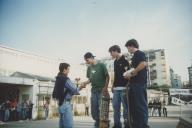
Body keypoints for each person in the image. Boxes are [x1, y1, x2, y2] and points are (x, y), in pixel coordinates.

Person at [124, 39, 149, 128]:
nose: (128, 50)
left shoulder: (139, 53)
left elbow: (143, 64)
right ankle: (136, 124)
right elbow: (136, 70)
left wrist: (131, 72)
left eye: (128, 47)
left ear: (131, 46)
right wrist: (129, 76)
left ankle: (143, 125)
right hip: (133, 84)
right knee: (134, 106)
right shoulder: (134, 56)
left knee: (141, 105)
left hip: (139, 84)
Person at [81, 52, 109, 128]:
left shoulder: (101, 65)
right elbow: (90, 79)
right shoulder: (89, 68)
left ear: (91, 57)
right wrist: (85, 83)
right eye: (85, 61)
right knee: (94, 110)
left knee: (102, 109)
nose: (86, 62)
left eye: (87, 60)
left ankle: (103, 124)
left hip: (101, 90)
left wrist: (105, 88)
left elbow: (107, 76)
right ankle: (98, 122)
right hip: (94, 91)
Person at [53, 63, 85, 128]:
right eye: (68, 69)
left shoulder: (58, 78)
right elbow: (75, 89)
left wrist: (77, 88)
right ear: (64, 69)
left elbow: (68, 92)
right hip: (65, 104)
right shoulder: (65, 79)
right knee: (68, 125)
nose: (69, 71)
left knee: (62, 126)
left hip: (61, 104)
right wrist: (81, 86)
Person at [108, 45, 130, 128]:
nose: (111, 55)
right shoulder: (115, 62)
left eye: (111, 53)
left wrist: (128, 86)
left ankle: (127, 124)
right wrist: (113, 85)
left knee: (126, 109)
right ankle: (117, 125)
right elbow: (116, 75)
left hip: (124, 88)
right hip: (116, 89)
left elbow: (129, 73)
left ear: (116, 51)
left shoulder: (125, 60)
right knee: (115, 108)